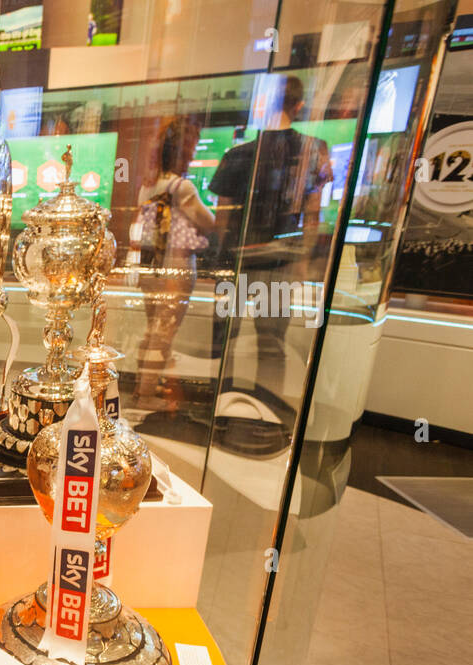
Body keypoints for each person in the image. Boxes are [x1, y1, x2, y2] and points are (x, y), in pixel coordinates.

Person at [209, 75, 333, 401]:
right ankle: (268, 410)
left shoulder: (237, 155)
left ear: (264, 106)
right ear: (299, 105)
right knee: (272, 343)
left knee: (225, 340)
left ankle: (220, 404)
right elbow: (312, 215)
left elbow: (222, 220)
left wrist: (222, 259)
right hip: (280, 263)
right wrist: (304, 261)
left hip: (236, 261)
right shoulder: (313, 150)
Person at [132, 117, 214, 412]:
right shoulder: (182, 187)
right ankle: (145, 395)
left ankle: (147, 385)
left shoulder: (149, 186)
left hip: (150, 266)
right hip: (176, 266)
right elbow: (209, 220)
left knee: (153, 329)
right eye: (191, 147)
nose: (193, 154)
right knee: (163, 332)